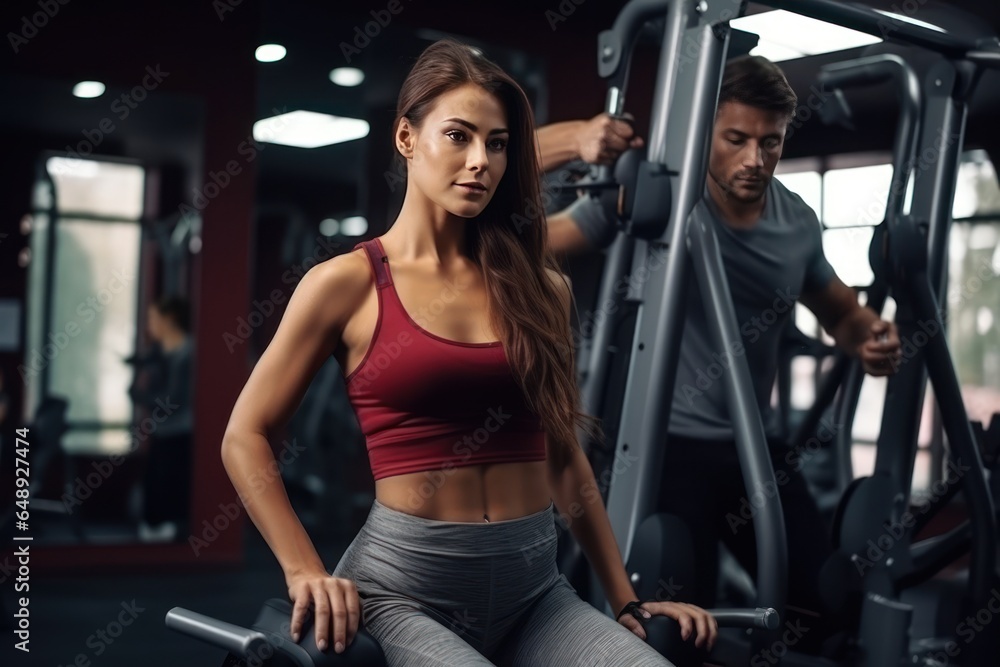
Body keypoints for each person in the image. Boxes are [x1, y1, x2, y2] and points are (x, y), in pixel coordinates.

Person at [221, 39, 716, 666]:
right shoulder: (345, 283)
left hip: (535, 590)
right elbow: (245, 434)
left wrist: (625, 603)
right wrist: (303, 572)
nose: (481, 160)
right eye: (458, 136)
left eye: (498, 143)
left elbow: (565, 460)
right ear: (406, 138)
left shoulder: (541, 288)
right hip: (404, 590)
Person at [546, 55, 903, 654]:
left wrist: (870, 333)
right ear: (704, 132)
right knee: (682, 624)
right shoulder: (655, 195)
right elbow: (543, 242)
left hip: (746, 444)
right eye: (735, 139)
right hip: (658, 446)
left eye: (771, 142)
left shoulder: (796, 222)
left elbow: (841, 311)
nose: (754, 160)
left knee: (824, 602)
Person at [130, 295, 195, 542]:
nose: (151, 325)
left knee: (169, 482)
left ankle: (169, 532)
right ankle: (155, 527)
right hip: (163, 429)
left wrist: (142, 396)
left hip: (180, 430)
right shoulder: (160, 353)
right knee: (153, 481)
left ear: (171, 319)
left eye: (155, 318)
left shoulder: (187, 352)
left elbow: (174, 398)